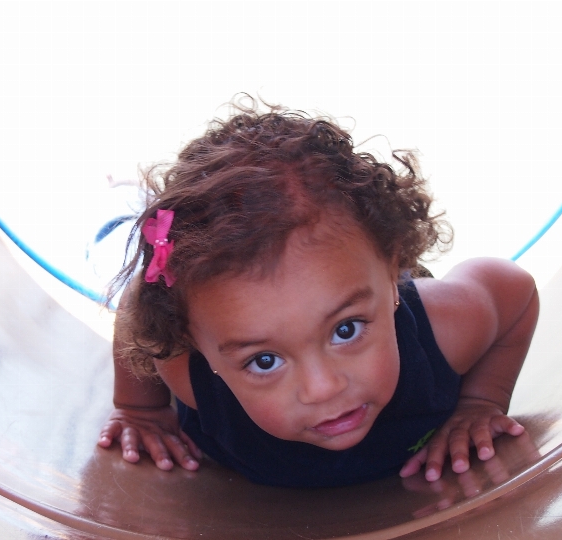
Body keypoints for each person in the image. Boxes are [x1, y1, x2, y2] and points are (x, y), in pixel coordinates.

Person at [97, 98, 539, 488]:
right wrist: (140, 409)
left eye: (346, 329)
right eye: (263, 360)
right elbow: (141, 303)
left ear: (392, 271)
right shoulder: (189, 375)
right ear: (199, 346)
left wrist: (481, 401)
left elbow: (513, 290)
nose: (323, 388)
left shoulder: (441, 334)